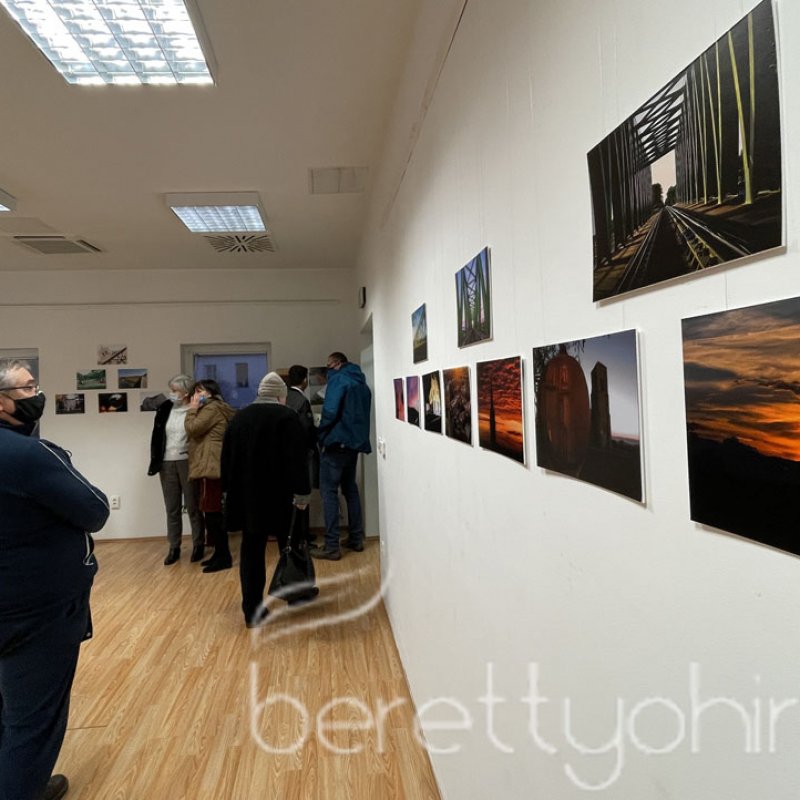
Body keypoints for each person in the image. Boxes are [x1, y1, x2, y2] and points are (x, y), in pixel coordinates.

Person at [0, 359, 109, 800]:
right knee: (32, 724)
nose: (37, 394)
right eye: (28, 388)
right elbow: (94, 509)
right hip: (34, 611)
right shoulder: (28, 455)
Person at [221, 372, 312, 628]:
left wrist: (228, 493)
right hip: (282, 496)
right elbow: (297, 459)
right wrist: (302, 494)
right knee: (290, 545)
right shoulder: (287, 418)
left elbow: (226, 461)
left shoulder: (239, 419)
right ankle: (295, 595)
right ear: (280, 395)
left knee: (251, 551)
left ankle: (252, 611)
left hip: (248, 498)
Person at [311, 352, 372, 561]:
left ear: (337, 364)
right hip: (354, 445)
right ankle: (356, 538)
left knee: (328, 492)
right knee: (350, 489)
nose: (327, 370)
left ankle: (331, 545)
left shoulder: (339, 379)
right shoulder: (361, 383)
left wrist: (321, 434)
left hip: (336, 443)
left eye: (328, 366)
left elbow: (329, 411)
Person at [147, 374, 205, 565]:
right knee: (171, 507)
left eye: (175, 390)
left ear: (186, 392)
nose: (172, 393)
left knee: (193, 506)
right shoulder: (165, 408)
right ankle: (174, 547)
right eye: (171, 390)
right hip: (166, 462)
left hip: (187, 461)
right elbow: (157, 435)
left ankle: (198, 544)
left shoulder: (196, 409)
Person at [185, 380, 235, 573]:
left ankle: (223, 556)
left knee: (212, 512)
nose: (197, 395)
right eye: (195, 392)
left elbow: (192, 428)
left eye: (200, 391)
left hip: (209, 465)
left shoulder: (210, 408)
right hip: (212, 463)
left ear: (211, 392)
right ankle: (220, 554)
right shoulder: (217, 407)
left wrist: (192, 408)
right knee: (211, 512)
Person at [284, 365, 318, 543]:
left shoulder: (283, 398)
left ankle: (292, 534)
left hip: (285, 455)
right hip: (301, 455)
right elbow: (307, 429)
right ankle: (303, 535)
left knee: (290, 497)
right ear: (305, 380)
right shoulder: (301, 401)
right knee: (303, 495)